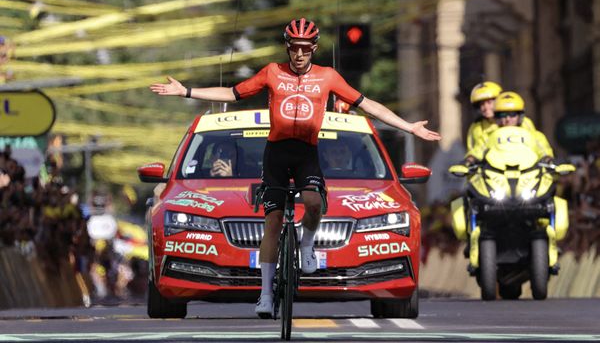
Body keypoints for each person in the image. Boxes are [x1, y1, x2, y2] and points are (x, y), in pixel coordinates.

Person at [150, 17, 441, 318]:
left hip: (307, 153)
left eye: (305, 49)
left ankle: (307, 245)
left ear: (314, 48)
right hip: (276, 153)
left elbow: (369, 106)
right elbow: (232, 93)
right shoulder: (272, 72)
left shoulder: (328, 76)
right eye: (294, 48)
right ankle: (265, 295)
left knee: (314, 203)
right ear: (287, 48)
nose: (299, 55)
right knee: (273, 220)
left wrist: (409, 127)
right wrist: (186, 91)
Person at [469, 91, 554, 162]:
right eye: (503, 115)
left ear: (520, 116)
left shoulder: (534, 135)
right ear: (497, 117)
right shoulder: (488, 136)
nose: (508, 119)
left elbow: (542, 149)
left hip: (527, 174)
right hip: (497, 175)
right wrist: (469, 160)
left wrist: (547, 158)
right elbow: (478, 150)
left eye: (512, 114)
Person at [464, 81, 536, 164]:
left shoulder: (523, 121)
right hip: (491, 171)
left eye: (489, 102)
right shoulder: (477, 127)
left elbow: (535, 143)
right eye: (481, 104)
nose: (485, 107)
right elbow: (475, 150)